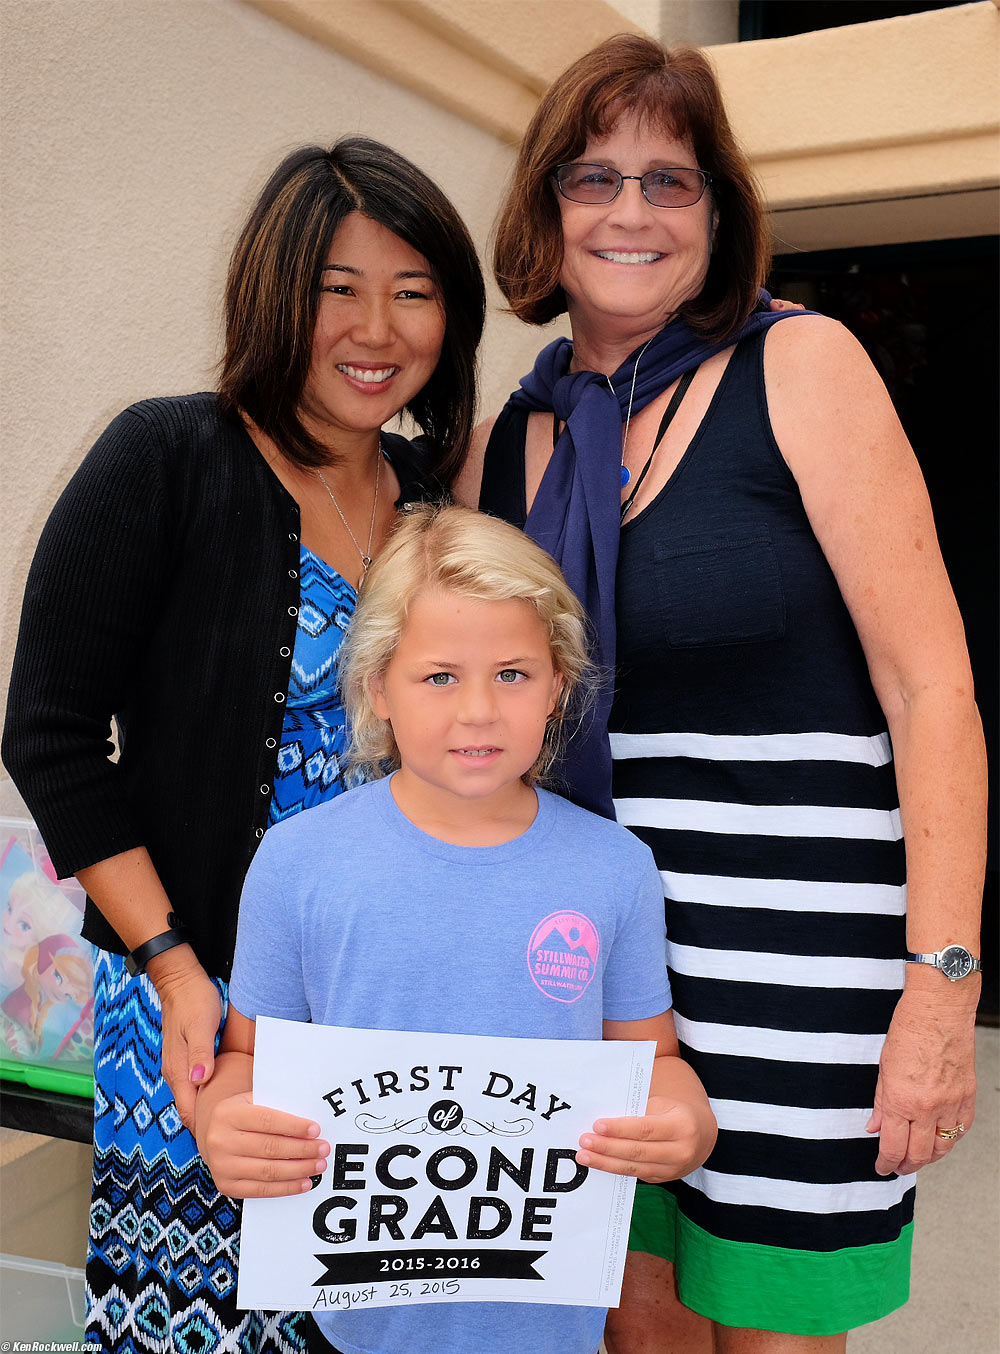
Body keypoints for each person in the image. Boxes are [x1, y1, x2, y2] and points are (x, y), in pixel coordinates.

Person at [457, 34, 987, 1353]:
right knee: (631, 1328)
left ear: (719, 211)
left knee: (775, 1331)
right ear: (545, 210)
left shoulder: (800, 367)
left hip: (799, 975)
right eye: (594, 178)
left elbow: (932, 688)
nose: (630, 211)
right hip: (586, 972)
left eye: (670, 181)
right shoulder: (500, 448)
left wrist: (940, 987)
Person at [2, 138, 485, 1354]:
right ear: (277, 292)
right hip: (195, 1002)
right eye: (338, 286)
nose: (378, 326)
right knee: (201, 1321)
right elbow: (49, 734)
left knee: (371, 1317)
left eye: (414, 291)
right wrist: (170, 964)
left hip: (387, 1012)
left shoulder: (433, 502)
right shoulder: (166, 456)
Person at [194, 502, 718, 1354]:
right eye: (440, 676)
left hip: (551, 1320)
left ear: (557, 684)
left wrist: (685, 1120)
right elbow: (249, 1060)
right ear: (375, 689)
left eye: (511, 674)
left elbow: (653, 1064)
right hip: (355, 1322)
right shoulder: (298, 863)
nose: (478, 710)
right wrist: (225, 1117)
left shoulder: (612, 868)